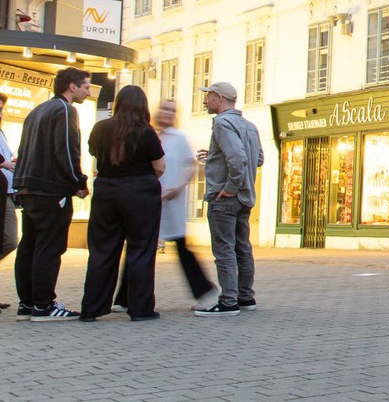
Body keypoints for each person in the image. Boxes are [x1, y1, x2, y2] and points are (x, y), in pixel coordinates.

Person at [115, 99, 214, 312]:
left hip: (172, 201)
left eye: (172, 110)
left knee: (181, 248)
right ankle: (124, 298)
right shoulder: (149, 135)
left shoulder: (179, 138)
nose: (168, 113)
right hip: (149, 200)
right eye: (165, 109)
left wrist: (177, 187)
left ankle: (204, 291)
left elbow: (191, 166)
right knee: (139, 248)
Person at [13, 66, 93, 320]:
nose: (89, 92)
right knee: (49, 247)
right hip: (51, 190)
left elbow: (24, 150)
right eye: (86, 87)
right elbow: (67, 150)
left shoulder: (37, 110)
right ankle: (44, 305)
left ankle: (27, 304)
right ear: (72, 86)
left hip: (29, 187)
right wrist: (79, 182)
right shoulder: (65, 110)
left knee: (29, 245)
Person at [80, 85, 165, 321]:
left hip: (106, 190)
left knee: (102, 249)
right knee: (141, 249)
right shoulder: (146, 131)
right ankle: (140, 309)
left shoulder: (100, 128)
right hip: (141, 192)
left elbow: (94, 153)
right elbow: (159, 167)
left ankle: (92, 308)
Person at [196, 81, 263, 316]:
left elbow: (238, 158)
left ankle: (228, 301)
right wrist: (215, 155)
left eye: (208, 96)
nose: (205, 100)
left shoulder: (222, 123)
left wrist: (231, 187)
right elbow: (258, 159)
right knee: (243, 247)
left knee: (224, 249)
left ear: (219, 98)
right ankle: (246, 297)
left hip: (225, 197)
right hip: (245, 198)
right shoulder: (249, 126)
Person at [0, 91, 16, 310]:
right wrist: (4, 164)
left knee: (10, 240)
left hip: (7, 191)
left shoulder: (2, 131)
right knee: (9, 240)